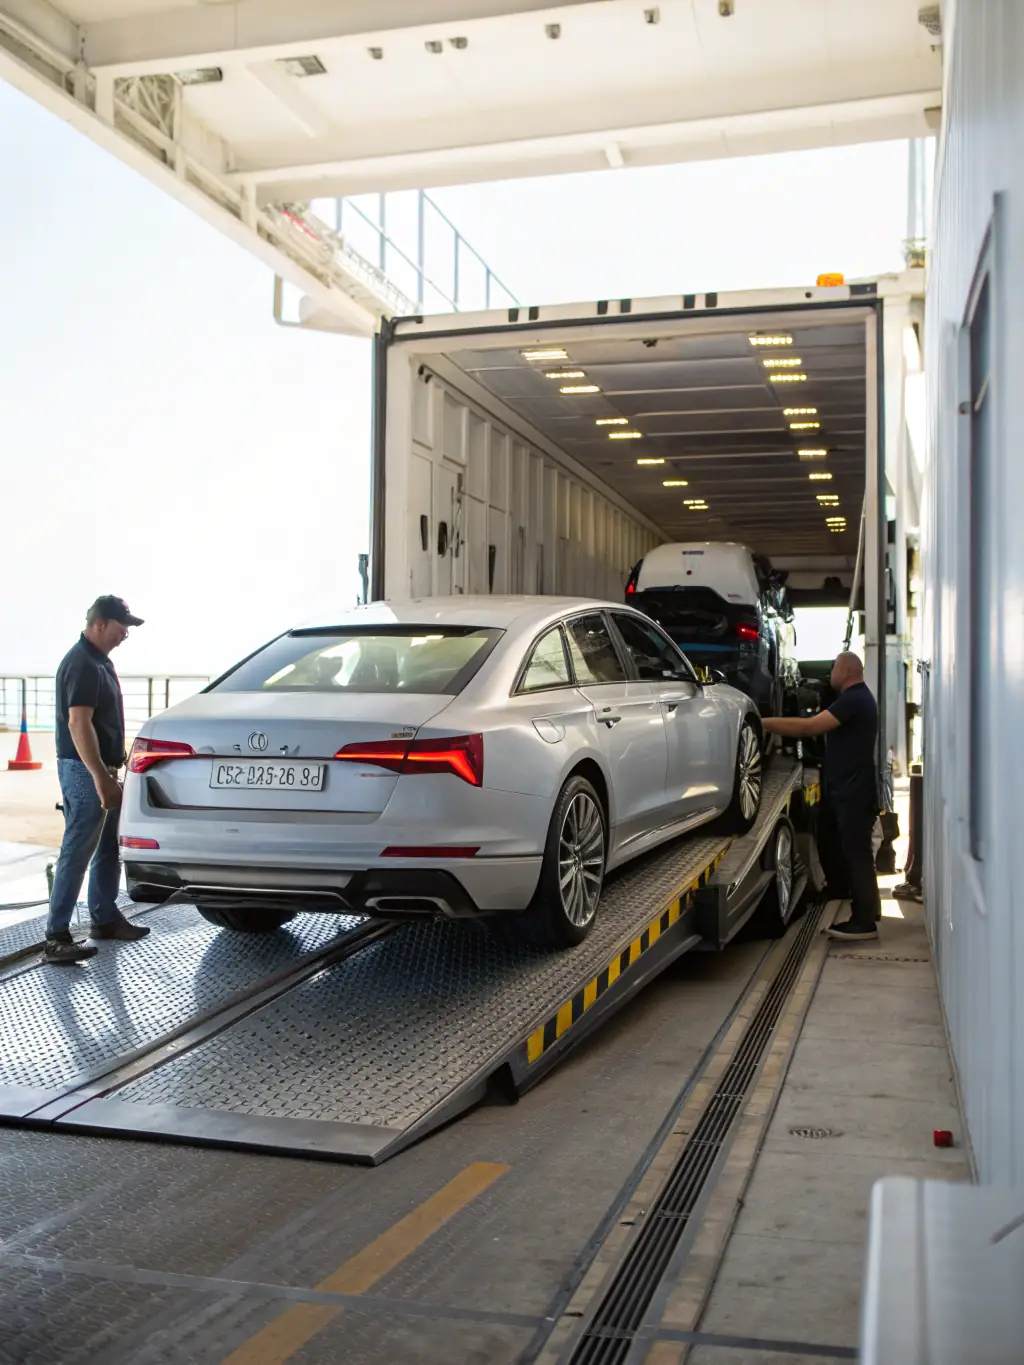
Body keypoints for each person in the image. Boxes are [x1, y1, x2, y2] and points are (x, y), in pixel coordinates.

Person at [44, 596, 152, 964]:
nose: (126, 635)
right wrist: (99, 777)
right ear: (102, 623)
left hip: (103, 769)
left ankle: (104, 918)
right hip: (84, 770)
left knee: (108, 849)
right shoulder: (82, 664)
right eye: (123, 627)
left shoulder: (99, 662)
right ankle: (56, 936)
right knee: (78, 850)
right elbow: (78, 724)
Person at [762, 651, 883, 942]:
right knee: (832, 836)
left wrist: (762, 722)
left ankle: (864, 919)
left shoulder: (855, 699)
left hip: (855, 791)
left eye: (834, 669)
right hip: (846, 787)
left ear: (847, 670)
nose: (830, 676)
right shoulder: (855, 699)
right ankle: (841, 888)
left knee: (857, 853)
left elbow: (810, 727)